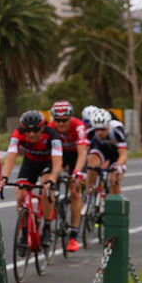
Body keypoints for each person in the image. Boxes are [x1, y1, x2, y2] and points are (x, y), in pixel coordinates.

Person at [0, 110, 63, 254]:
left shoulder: (52, 134)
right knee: (21, 195)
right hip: (29, 164)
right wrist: (4, 177)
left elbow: (58, 161)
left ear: (42, 127)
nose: (32, 134)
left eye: (35, 130)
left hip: (48, 164)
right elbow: (11, 156)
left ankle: (47, 228)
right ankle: (24, 233)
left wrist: (53, 178)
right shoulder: (18, 133)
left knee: (46, 189)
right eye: (28, 130)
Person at [47, 100, 90, 252]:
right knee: (48, 182)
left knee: (74, 191)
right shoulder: (50, 128)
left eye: (64, 120)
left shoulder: (78, 126)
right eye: (57, 120)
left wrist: (77, 173)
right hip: (59, 155)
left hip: (76, 157)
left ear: (70, 118)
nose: (60, 124)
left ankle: (74, 234)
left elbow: (82, 153)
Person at [86, 107, 128, 195]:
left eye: (103, 129)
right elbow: (85, 151)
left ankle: (114, 204)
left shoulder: (117, 129)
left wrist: (117, 166)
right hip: (101, 150)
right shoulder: (90, 131)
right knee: (92, 164)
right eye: (97, 129)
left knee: (114, 180)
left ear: (108, 125)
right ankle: (89, 196)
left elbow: (123, 154)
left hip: (116, 153)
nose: (99, 132)